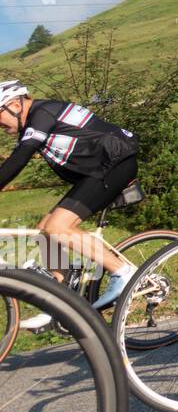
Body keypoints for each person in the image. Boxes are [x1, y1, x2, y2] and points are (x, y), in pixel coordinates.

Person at [0, 80, 140, 327]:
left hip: (115, 163)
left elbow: (19, 157)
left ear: (14, 104)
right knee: (44, 232)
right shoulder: (36, 117)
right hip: (97, 171)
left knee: (58, 228)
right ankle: (64, 299)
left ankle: (122, 272)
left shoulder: (42, 114)